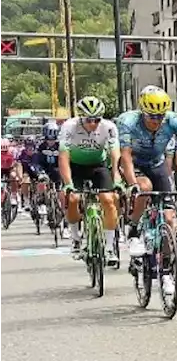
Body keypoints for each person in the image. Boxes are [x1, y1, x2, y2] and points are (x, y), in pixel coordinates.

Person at [120, 87, 177, 273]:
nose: (156, 121)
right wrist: (132, 184)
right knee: (144, 187)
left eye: (160, 116)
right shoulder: (128, 121)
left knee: (169, 218)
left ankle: (166, 267)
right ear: (142, 112)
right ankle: (134, 229)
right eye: (151, 116)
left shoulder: (175, 120)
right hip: (134, 163)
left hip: (156, 163)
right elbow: (125, 156)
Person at [58, 96, 122, 264]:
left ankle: (109, 248)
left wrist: (116, 176)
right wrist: (68, 184)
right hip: (75, 166)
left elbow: (115, 154)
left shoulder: (109, 127)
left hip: (98, 165)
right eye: (89, 120)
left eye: (97, 120)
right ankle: (76, 238)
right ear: (81, 117)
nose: (93, 123)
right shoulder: (69, 127)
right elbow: (63, 157)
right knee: (73, 198)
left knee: (108, 200)